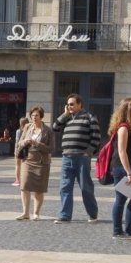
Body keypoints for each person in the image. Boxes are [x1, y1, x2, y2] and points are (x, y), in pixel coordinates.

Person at [51, 93, 101, 224]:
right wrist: (65, 114)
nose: (69, 106)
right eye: (68, 104)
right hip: (67, 157)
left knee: (85, 187)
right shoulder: (67, 118)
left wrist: (89, 152)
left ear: (80, 104)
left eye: (72, 104)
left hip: (82, 158)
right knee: (65, 187)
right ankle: (65, 215)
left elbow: (96, 136)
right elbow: (55, 127)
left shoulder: (90, 117)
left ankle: (93, 214)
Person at [107, 98, 131, 239]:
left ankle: (128, 229)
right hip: (122, 168)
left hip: (125, 167)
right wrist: (129, 173)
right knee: (122, 199)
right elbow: (122, 152)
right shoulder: (123, 128)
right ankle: (118, 231)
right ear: (127, 110)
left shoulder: (126, 127)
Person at [15, 107, 52, 220]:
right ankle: (25, 213)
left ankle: (36, 213)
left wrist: (37, 144)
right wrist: (25, 142)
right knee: (24, 186)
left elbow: (51, 148)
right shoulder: (27, 127)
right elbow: (19, 142)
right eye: (32, 115)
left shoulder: (48, 130)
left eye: (36, 115)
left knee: (39, 189)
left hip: (41, 162)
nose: (34, 118)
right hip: (28, 160)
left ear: (41, 116)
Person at [12, 117, 29, 186]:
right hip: (26, 150)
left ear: (20, 123)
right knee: (24, 165)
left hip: (19, 149)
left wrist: (15, 151)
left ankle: (17, 180)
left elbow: (17, 141)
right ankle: (24, 179)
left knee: (17, 165)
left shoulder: (18, 131)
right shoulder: (29, 131)